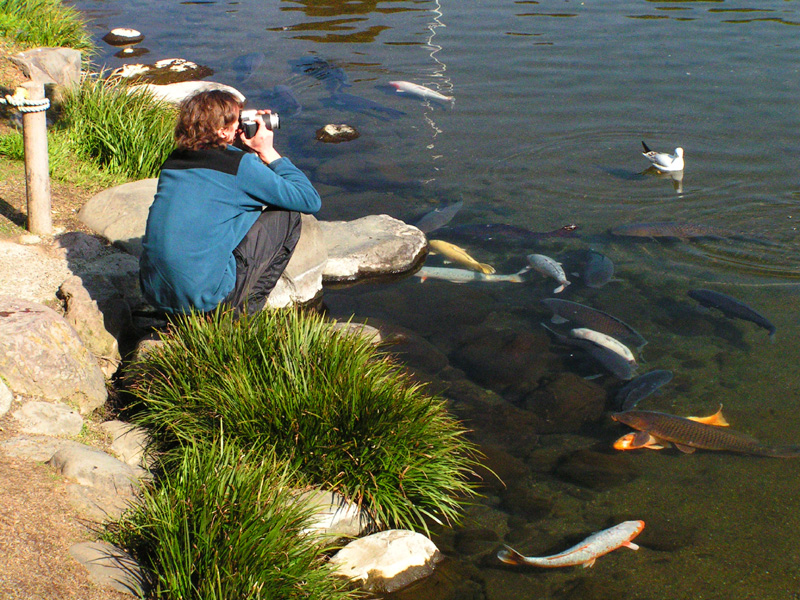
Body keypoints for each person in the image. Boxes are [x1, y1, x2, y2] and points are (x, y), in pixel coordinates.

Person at [139, 90, 321, 316]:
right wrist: (267, 151)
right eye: (237, 120)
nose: (240, 125)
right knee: (288, 216)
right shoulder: (240, 166)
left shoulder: (174, 161)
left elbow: (222, 175)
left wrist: (241, 149)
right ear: (222, 131)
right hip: (206, 299)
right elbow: (309, 199)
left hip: (157, 296)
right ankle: (240, 316)